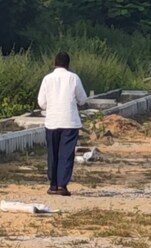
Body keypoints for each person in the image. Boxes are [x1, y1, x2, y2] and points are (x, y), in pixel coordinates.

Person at [38, 52, 88, 197]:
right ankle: (62, 185)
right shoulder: (73, 78)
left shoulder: (47, 79)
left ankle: (53, 185)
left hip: (52, 122)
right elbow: (82, 99)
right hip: (69, 122)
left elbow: (41, 102)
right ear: (68, 64)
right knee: (66, 154)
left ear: (54, 63)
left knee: (52, 153)